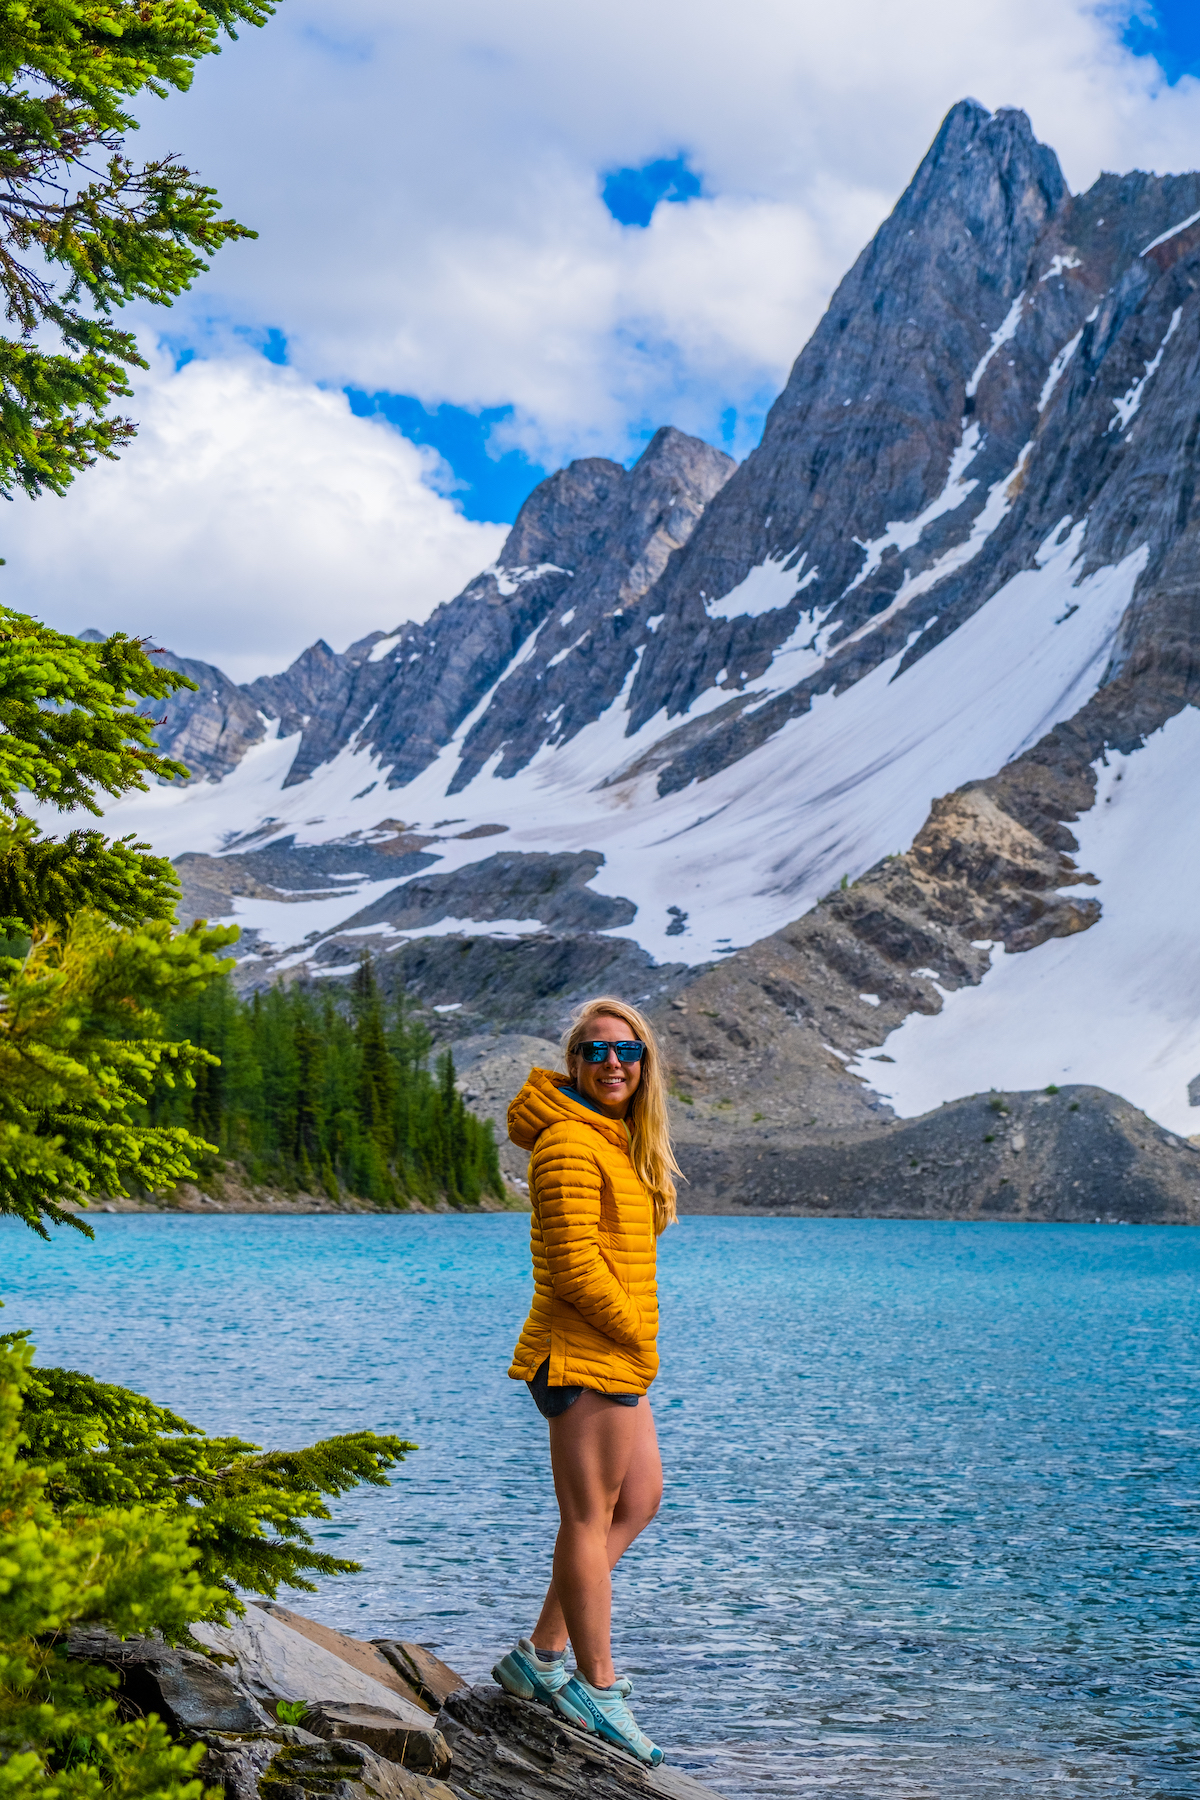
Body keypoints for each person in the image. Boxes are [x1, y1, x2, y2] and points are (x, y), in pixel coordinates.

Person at [492, 995, 680, 1766]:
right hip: (583, 1355)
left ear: (644, 1065)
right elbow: (573, 1266)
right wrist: (638, 1337)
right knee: (587, 1516)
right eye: (598, 1052)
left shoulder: (615, 1140)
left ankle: (538, 1657)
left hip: (613, 1356)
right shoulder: (570, 1142)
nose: (613, 1064)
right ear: (575, 1063)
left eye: (628, 1052)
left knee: (638, 1501)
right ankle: (594, 1689)